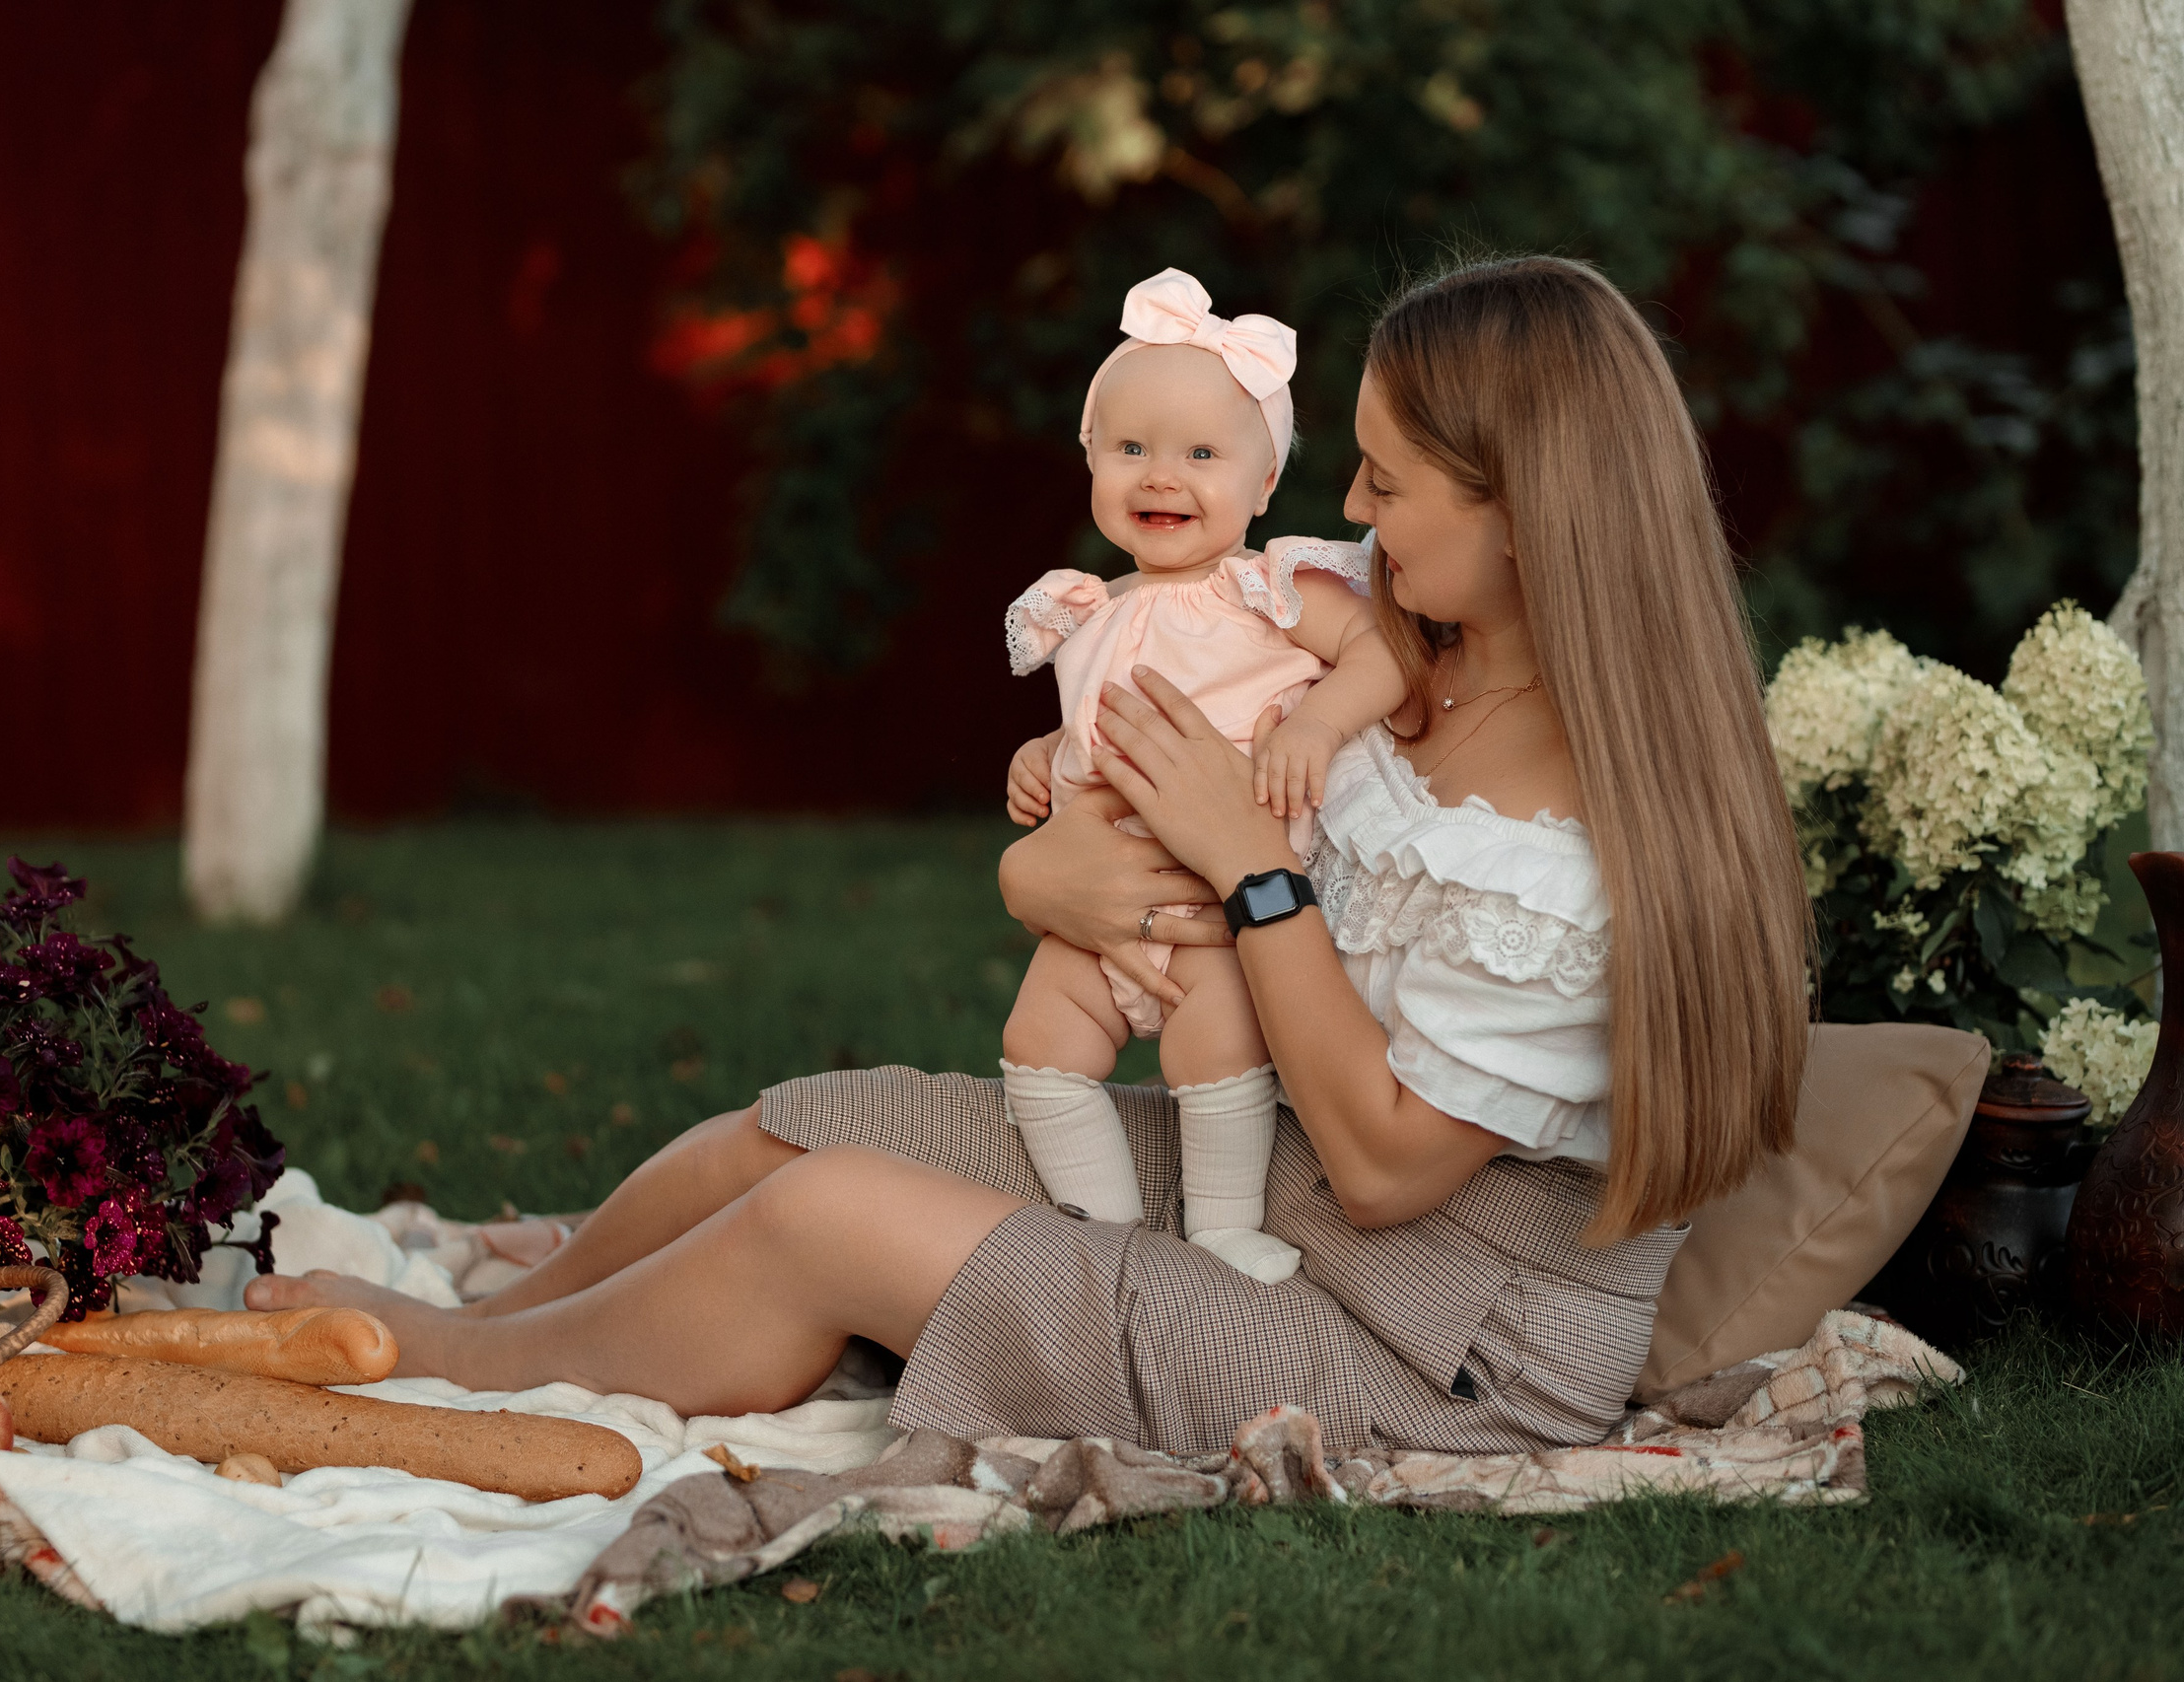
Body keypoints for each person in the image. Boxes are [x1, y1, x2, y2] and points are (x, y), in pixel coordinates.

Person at [246, 255, 1813, 1460]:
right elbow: (1108, 804)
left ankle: (450, 1371)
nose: (1348, 508)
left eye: (1387, 483)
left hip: (1427, 1346)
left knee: (825, 1217)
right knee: (786, 1131)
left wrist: (1253, 870)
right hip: (1276, 1184)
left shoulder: (1576, 851)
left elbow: (1388, 1168)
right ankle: (506, 1312)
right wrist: (1039, 878)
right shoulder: (1392, 631)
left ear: (1525, 510)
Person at [1000, 267, 1407, 1286]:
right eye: (1130, 448)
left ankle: (1222, 1228)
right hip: (1093, 915)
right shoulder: (1085, 610)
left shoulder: (1264, 591)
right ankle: (1103, 1235)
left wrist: (1316, 721)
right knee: (1038, 1044)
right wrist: (1042, 759)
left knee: (1217, 1052)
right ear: (1091, 460)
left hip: (1221, 912)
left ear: (1262, 488)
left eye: (1201, 454)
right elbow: (1091, 728)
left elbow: (1384, 652)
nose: (1161, 478)